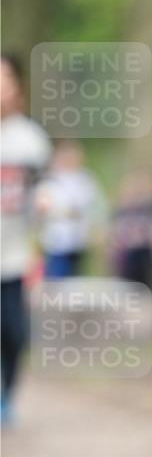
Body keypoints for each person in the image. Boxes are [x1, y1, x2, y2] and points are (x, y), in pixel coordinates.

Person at [1, 53, 51, 425]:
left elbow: (41, 191)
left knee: (13, 331)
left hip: (14, 253)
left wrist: (44, 200)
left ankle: (7, 394)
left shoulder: (30, 140)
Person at [35, 139, 107, 278]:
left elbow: (98, 206)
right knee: (57, 279)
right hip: (56, 241)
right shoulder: (50, 180)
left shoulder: (86, 179)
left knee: (76, 280)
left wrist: (98, 228)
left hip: (80, 240)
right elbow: (42, 208)